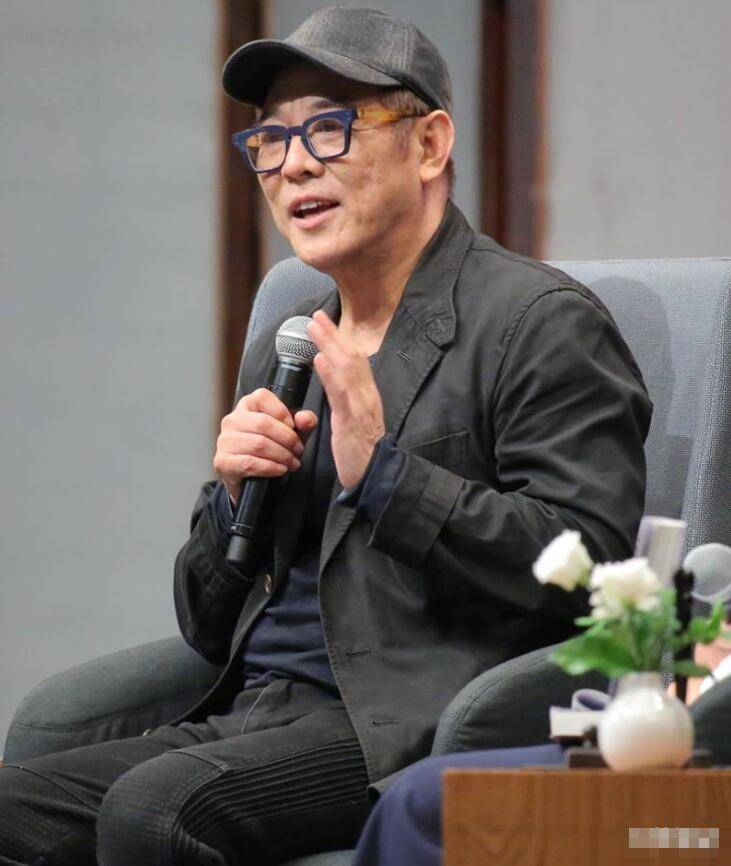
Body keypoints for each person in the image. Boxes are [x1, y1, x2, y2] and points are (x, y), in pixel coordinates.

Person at [0, 7, 652, 865]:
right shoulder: (295, 341)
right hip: (253, 709)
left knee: (153, 812)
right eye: (270, 141)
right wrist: (232, 499)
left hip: (400, 716)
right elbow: (207, 626)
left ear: (429, 145)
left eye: (329, 129)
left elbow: (594, 571)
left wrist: (386, 477)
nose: (294, 164)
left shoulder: (537, 322)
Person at [350, 628, 731, 866]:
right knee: (425, 795)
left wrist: (691, 710)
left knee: (426, 802)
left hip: (702, 827)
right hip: (667, 743)